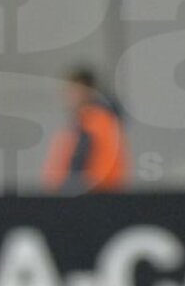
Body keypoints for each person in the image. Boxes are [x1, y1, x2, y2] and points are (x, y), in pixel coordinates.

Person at [42, 66, 129, 194]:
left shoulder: (97, 122)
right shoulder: (82, 122)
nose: (67, 96)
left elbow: (94, 167)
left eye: (73, 90)